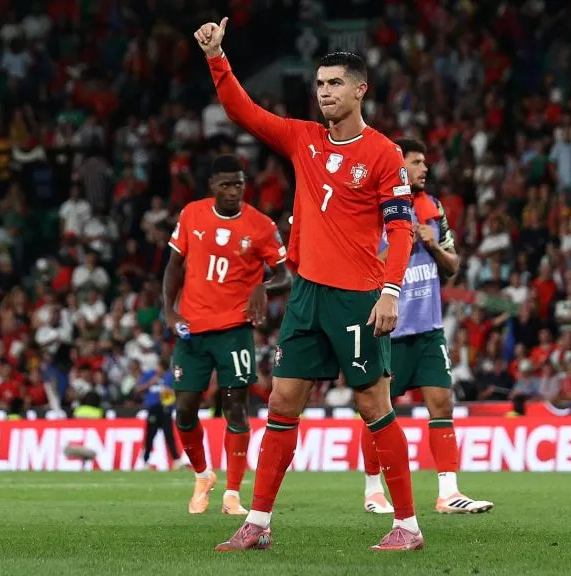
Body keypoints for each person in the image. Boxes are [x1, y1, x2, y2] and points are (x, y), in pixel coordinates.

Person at [196, 18, 422, 551]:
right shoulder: (304, 140)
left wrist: (391, 290)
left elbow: (401, 229)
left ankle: (408, 526)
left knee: (373, 407)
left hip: (358, 297)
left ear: (360, 89)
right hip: (307, 296)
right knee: (282, 403)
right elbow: (242, 112)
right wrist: (216, 57)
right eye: (320, 84)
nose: (324, 93)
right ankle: (258, 522)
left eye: (335, 84)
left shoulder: (385, 155)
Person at [361, 139, 494, 516]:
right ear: (398, 165)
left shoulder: (433, 208)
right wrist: (401, 239)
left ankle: (448, 493)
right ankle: (373, 491)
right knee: (376, 409)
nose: (425, 169)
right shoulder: (376, 206)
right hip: (388, 328)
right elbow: (366, 262)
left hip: (429, 327)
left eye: (425, 162)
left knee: (442, 402)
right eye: (417, 162)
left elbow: (452, 266)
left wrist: (433, 246)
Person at [163, 154, 291, 515]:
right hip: (192, 329)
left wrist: (263, 286)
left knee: (235, 406)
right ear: (212, 187)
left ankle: (233, 493)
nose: (234, 191)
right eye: (226, 184)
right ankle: (203, 475)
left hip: (234, 330)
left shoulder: (261, 225)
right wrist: (169, 310)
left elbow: (286, 275)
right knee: (185, 410)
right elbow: (173, 266)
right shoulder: (191, 215)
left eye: (239, 183)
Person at [136, 358, 180, 469]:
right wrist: (150, 383)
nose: (157, 370)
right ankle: (145, 461)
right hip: (153, 409)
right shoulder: (150, 375)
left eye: (159, 368)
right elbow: (138, 389)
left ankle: (176, 461)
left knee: (169, 435)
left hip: (166, 409)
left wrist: (170, 392)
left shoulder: (169, 377)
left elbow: (177, 391)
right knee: (150, 436)